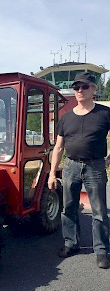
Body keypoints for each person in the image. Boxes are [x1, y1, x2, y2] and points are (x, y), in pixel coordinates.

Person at [48, 72, 110, 269]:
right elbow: (58, 148)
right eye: (76, 87)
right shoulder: (66, 118)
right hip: (71, 167)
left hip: (95, 167)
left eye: (84, 86)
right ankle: (71, 243)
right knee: (69, 208)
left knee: (99, 211)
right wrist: (52, 173)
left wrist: (109, 158)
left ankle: (101, 250)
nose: (80, 90)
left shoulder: (104, 113)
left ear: (93, 89)